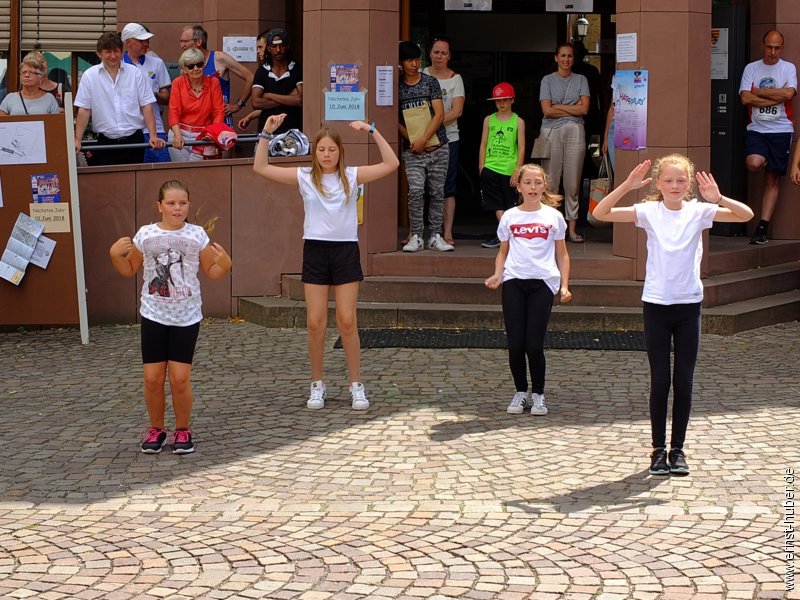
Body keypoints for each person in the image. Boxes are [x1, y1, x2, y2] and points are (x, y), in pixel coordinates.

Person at [592, 155, 754, 476]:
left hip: (688, 305)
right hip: (656, 305)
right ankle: (657, 451)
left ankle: (678, 449)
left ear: (690, 183)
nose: (675, 186)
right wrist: (627, 185)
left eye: (681, 180)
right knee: (660, 380)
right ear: (658, 183)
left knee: (683, 381)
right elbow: (599, 213)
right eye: (668, 180)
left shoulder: (699, 211)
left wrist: (718, 198)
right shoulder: (649, 212)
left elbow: (746, 215)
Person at [253, 113, 399, 410]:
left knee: (347, 321)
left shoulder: (353, 175)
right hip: (316, 251)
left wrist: (373, 129)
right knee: (315, 323)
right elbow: (260, 166)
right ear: (315, 152)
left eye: (332, 149)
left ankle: (356, 384)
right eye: (322, 149)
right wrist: (266, 134)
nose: (327, 154)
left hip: (345, 251)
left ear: (340, 152)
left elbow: (392, 163)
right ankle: (317, 383)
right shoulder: (304, 177)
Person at [109, 179, 232, 454]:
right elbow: (129, 268)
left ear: (189, 205)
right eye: (171, 203)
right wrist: (114, 255)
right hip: (154, 313)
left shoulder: (197, 234)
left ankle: (183, 429)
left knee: (179, 378)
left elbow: (212, 271)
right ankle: (156, 429)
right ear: (160, 206)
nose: (177, 208)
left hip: (186, 316)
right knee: (152, 378)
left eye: (183, 203)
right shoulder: (146, 234)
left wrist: (226, 265)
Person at [484, 163, 571, 416]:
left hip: (543, 282)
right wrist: (498, 275)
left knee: (534, 344)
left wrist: (564, 285)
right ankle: (520, 391)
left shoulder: (553, 217)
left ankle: (539, 394)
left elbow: (562, 254)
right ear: (519, 186)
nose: (533, 187)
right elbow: (503, 252)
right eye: (528, 182)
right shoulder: (510, 216)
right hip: (514, 281)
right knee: (515, 344)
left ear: (545, 185)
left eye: (538, 182)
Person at [739, 30, 796, 245]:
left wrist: (759, 93)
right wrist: (775, 95)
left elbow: (789, 94)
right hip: (757, 129)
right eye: (769, 47)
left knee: (772, 180)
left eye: (777, 47)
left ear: (782, 48)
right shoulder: (751, 68)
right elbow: (745, 98)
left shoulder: (788, 68)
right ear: (763, 46)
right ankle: (762, 158)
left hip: (781, 130)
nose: (773, 52)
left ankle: (762, 228)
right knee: (754, 163)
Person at [74, 32, 165, 165]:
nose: (113, 56)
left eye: (116, 51)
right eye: (108, 52)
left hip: (134, 141)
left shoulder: (135, 73)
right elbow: (84, 110)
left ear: (121, 52)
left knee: (134, 183)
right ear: (99, 54)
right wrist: (77, 139)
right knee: (107, 183)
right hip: (105, 143)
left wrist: (153, 135)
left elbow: (146, 105)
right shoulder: (89, 76)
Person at [398, 41, 453, 253]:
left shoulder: (430, 82)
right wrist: (413, 140)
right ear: (401, 62)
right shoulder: (397, 86)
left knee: (438, 191)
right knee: (415, 191)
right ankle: (417, 236)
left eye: (416, 59)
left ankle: (436, 236)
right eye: (409, 60)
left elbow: (439, 114)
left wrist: (424, 138)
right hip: (412, 150)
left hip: (438, 147)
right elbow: (393, 119)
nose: (414, 64)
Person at [539, 42, 591, 243]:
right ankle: (551, 228)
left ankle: (571, 230)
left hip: (575, 130)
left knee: (572, 182)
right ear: (556, 58)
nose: (566, 60)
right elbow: (546, 110)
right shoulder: (547, 80)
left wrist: (558, 105)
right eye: (563, 56)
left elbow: (585, 109)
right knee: (550, 180)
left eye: (570, 56)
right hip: (551, 131)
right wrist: (571, 106)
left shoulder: (581, 79)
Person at [422, 35, 464, 246]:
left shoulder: (455, 79)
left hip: (449, 139)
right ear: (430, 53)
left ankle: (446, 233)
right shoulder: (420, 75)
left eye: (443, 53)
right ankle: (417, 232)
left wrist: (430, 126)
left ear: (449, 56)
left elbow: (457, 111)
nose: (439, 56)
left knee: (447, 186)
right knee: (419, 186)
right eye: (436, 52)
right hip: (420, 139)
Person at [479, 82, 526, 249]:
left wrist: (517, 170)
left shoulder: (518, 121)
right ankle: (508, 235)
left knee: (510, 205)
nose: (502, 103)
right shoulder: (488, 120)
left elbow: (521, 147)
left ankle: (509, 236)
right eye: (498, 100)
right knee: (496, 204)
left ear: (512, 100)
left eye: (505, 100)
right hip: (490, 167)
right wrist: (481, 167)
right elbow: (483, 143)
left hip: (509, 169)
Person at [179, 25, 253, 127]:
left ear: (199, 42)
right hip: (197, 123)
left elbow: (250, 77)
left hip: (220, 121)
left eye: (185, 41)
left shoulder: (219, 58)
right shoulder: (186, 65)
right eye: (181, 41)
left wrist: (239, 104)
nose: (182, 46)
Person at [122, 22, 172, 163]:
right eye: (141, 40)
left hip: (155, 130)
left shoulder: (157, 63)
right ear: (128, 42)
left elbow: (167, 98)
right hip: (128, 132)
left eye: (147, 40)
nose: (146, 43)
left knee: (164, 171)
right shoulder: (119, 65)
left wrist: (151, 94)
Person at [168, 47, 225, 162]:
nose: (196, 69)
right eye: (190, 66)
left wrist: (212, 134)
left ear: (204, 65)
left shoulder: (214, 83)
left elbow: (219, 112)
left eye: (199, 64)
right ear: (184, 68)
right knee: (181, 171)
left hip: (204, 135)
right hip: (180, 132)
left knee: (198, 172)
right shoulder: (178, 83)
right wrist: (177, 135)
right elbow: (174, 111)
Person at [245, 28, 303, 136]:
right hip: (268, 132)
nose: (278, 50)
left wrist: (269, 95)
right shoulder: (262, 72)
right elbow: (256, 102)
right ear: (268, 48)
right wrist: (289, 98)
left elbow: (300, 100)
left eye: (282, 46)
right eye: (274, 46)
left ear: (288, 46)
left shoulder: (297, 69)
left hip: (292, 132)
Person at [601, 74, 619, 173]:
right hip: (614, 127)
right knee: (616, 171)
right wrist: (606, 138)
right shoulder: (616, 77)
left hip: (631, 126)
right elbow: (612, 108)